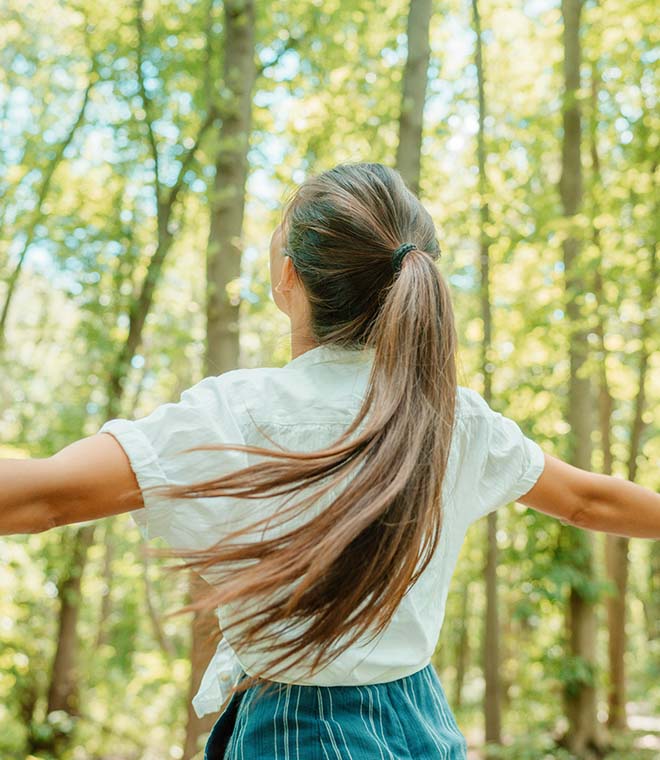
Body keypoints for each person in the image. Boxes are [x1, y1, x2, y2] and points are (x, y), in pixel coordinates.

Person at [2, 162, 658, 760]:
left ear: (288, 276)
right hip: (422, 722)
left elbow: (43, 497)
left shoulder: (236, 415)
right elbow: (587, 501)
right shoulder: (457, 418)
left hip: (295, 731)